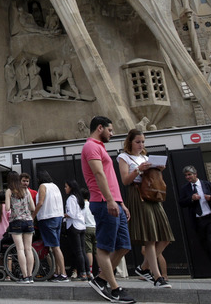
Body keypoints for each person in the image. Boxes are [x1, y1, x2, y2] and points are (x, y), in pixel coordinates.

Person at [81, 116, 134, 303]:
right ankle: (114, 288)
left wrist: (120, 202)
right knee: (104, 247)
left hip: (113, 202)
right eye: (110, 130)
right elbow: (98, 174)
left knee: (124, 246)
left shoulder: (100, 147)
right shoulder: (91, 147)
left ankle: (101, 279)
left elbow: (110, 179)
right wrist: (111, 201)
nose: (112, 133)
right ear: (100, 128)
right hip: (103, 202)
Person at [117, 129, 174, 288]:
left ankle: (143, 267)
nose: (141, 145)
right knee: (150, 237)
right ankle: (157, 277)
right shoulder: (124, 157)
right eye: (138, 142)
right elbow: (125, 181)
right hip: (138, 194)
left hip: (153, 196)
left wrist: (157, 169)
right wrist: (139, 169)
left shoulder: (146, 156)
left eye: (143, 142)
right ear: (130, 142)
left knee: (165, 236)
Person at [178, 165, 211, 283]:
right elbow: (181, 202)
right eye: (186, 175)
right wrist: (191, 199)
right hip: (198, 221)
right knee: (206, 247)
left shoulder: (208, 185)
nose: (188, 177)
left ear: (195, 174)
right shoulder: (185, 188)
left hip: (210, 219)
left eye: (189, 174)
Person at [34, 171, 66, 282]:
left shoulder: (43, 186)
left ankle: (63, 273)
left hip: (47, 217)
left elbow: (41, 202)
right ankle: (58, 272)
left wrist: (33, 215)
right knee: (55, 246)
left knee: (55, 247)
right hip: (58, 216)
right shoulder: (55, 186)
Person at [5, 171, 36, 283]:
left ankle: (24, 276)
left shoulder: (9, 191)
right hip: (28, 221)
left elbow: (7, 208)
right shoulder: (26, 190)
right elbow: (33, 207)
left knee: (20, 249)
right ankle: (30, 276)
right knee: (28, 249)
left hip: (16, 221)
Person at [63, 180, 90, 281]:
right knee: (82, 250)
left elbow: (71, 213)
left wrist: (64, 215)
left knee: (78, 251)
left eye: (66, 186)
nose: (65, 189)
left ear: (71, 187)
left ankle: (82, 272)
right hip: (81, 225)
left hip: (73, 226)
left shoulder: (71, 198)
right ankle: (88, 272)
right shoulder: (80, 198)